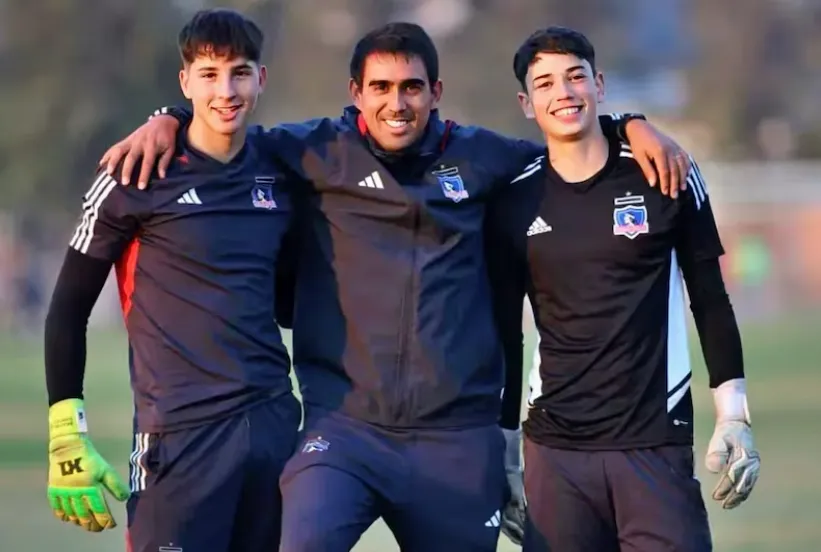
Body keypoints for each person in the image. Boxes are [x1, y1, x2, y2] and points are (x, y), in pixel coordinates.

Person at [99, 22, 691, 552]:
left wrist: (626, 124)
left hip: (456, 441)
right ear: (356, 92)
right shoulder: (311, 150)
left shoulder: (484, 157)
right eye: (380, 88)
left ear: (435, 92)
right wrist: (167, 119)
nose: (396, 103)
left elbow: (569, 146)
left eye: (411, 87)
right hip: (343, 431)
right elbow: (222, 123)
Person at [485, 26, 761, 552]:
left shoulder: (666, 172)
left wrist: (734, 416)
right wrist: (506, 449)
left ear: (600, 84)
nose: (563, 93)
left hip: (654, 445)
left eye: (575, 77)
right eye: (544, 84)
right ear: (526, 103)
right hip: (555, 451)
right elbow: (506, 332)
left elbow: (709, 298)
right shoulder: (514, 199)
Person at [43, 10, 301, 552]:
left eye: (239, 72)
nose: (225, 90)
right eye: (208, 75)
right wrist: (67, 432)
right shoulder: (135, 173)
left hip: (272, 429)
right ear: (185, 82)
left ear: (261, 79)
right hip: (178, 440)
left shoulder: (282, 167)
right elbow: (67, 308)